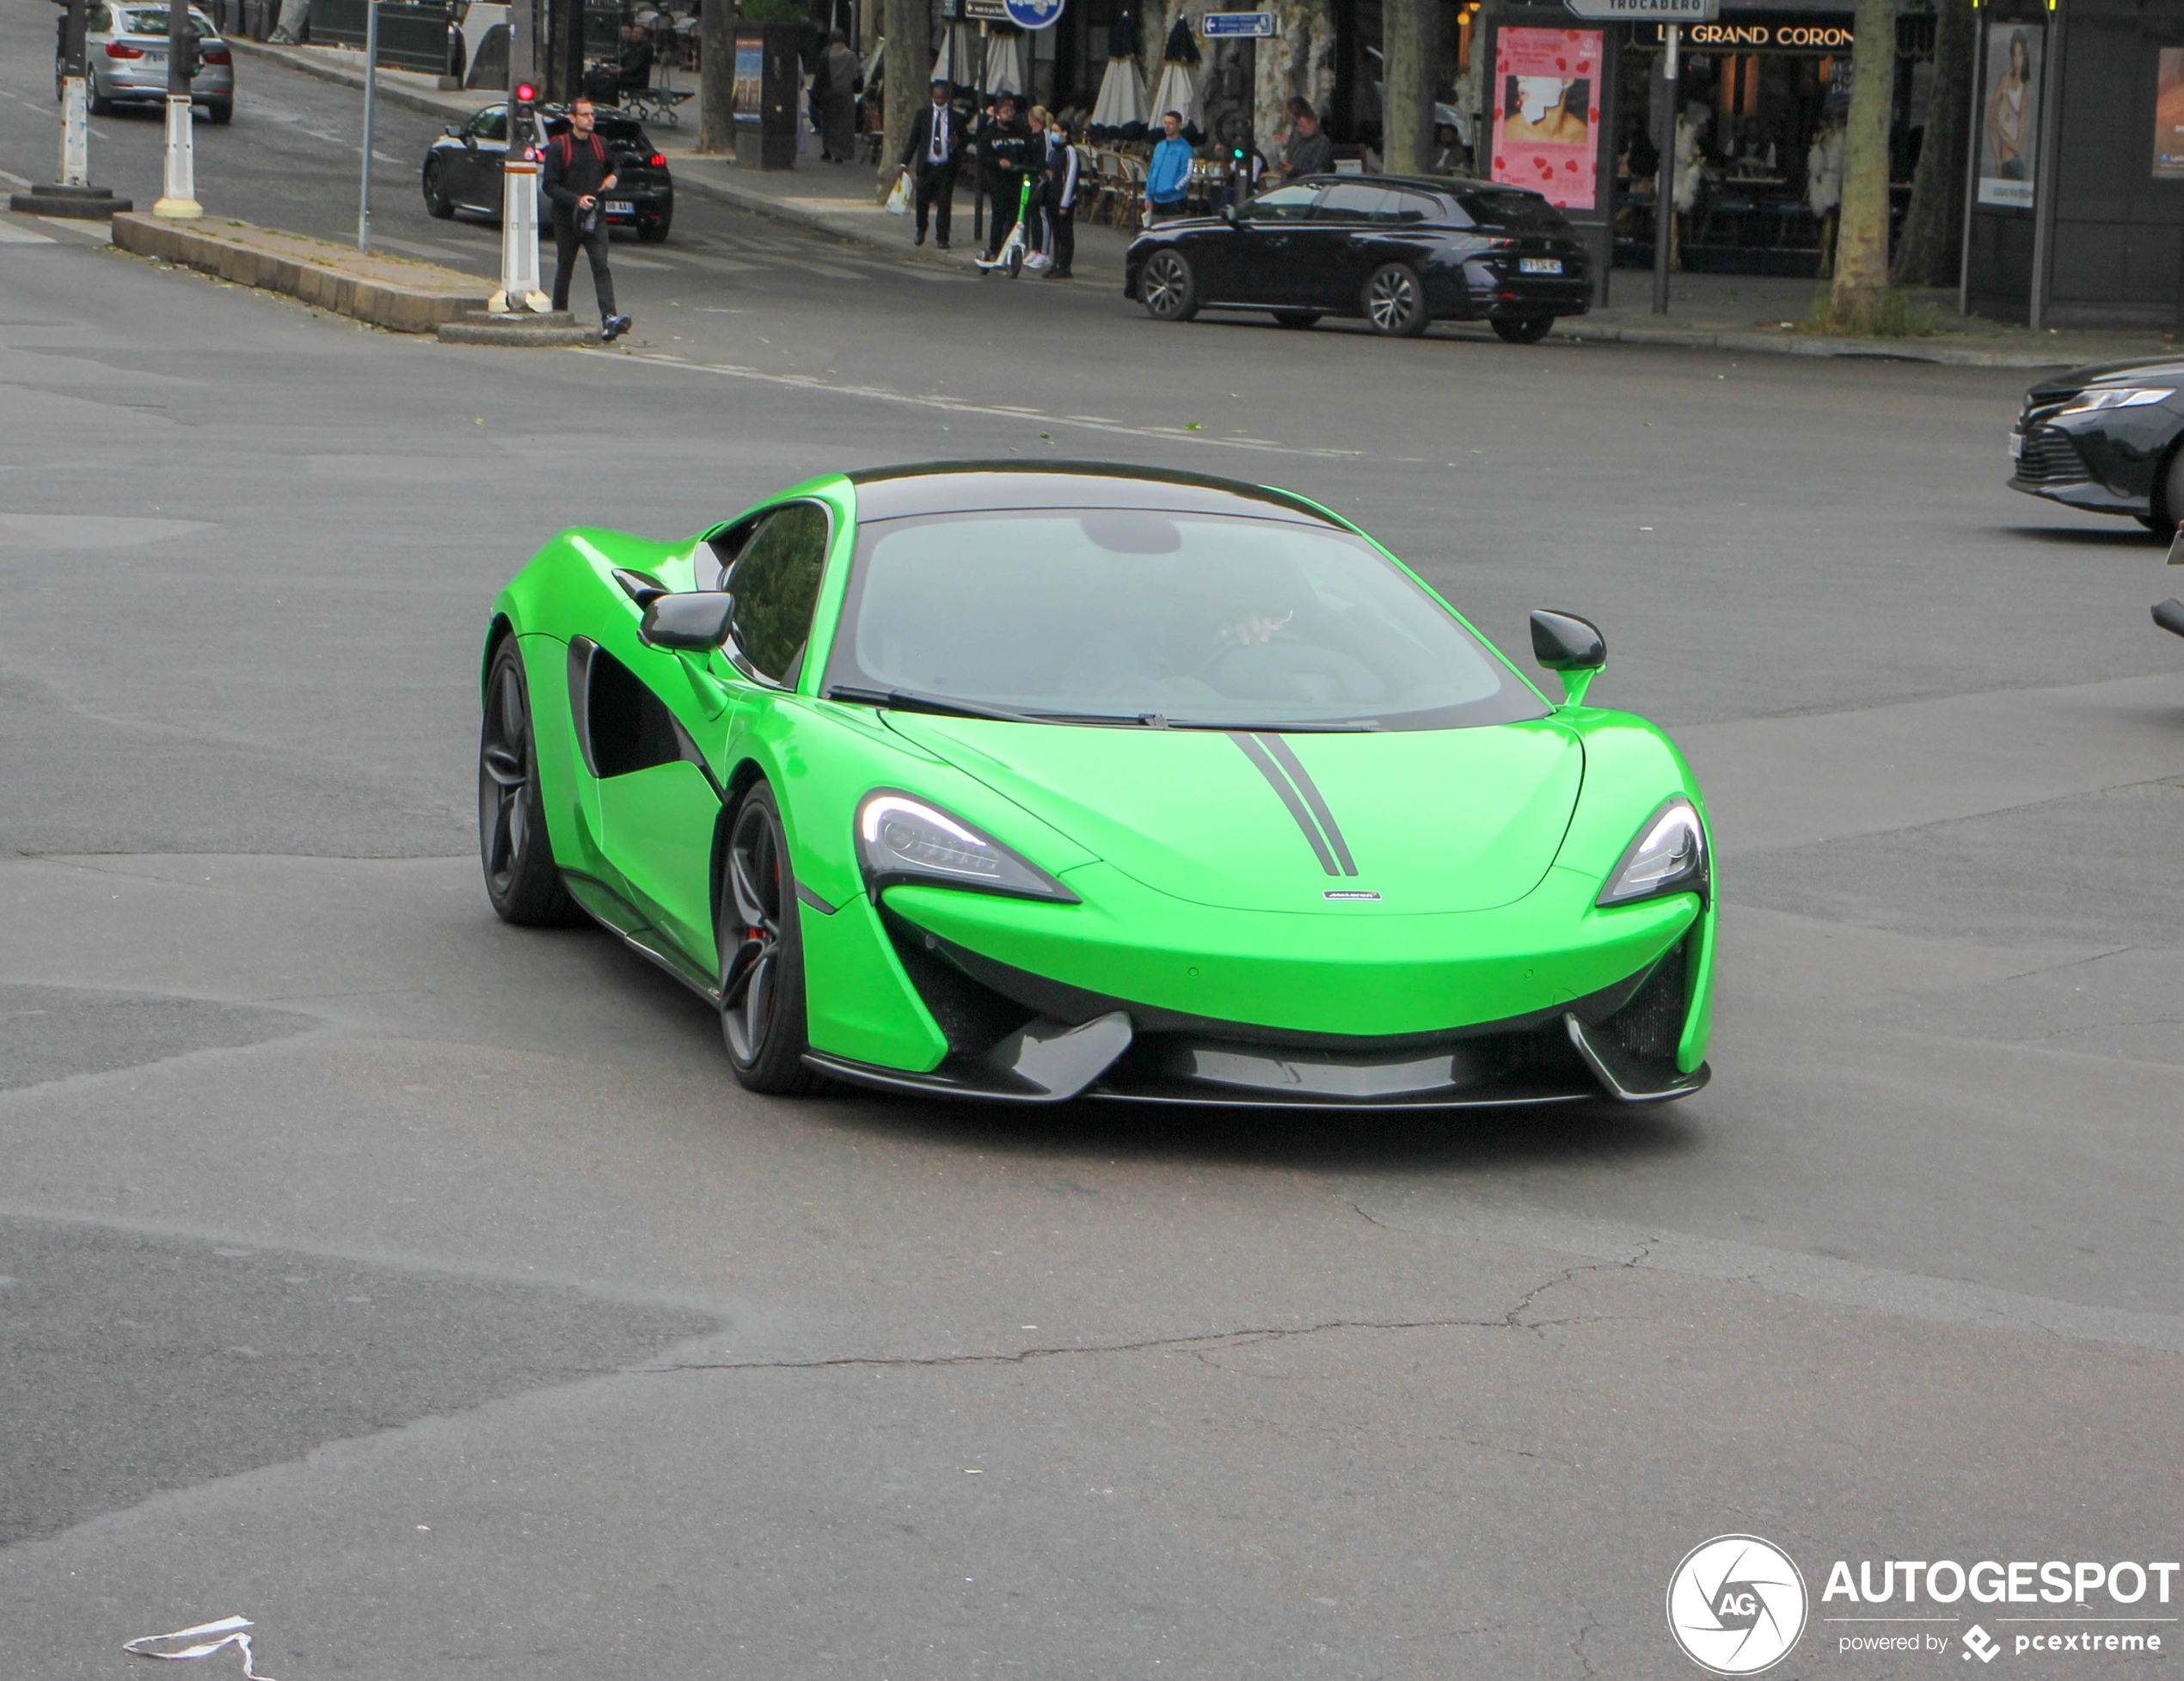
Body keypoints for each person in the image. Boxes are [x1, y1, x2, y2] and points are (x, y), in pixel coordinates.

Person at [542, 97, 630, 341]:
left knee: (601, 266)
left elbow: (616, 167)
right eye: (584, 115)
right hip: (567, 218)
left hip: (595, 217)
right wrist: (575, 199)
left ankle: (610, 318)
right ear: (572, 118)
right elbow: (549, 185)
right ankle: (558, 315)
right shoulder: (559, 147)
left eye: (592, 114)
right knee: (565, 267)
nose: (590, 119)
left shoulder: (600, 144)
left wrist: (613, 177)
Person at [901, 77, 966, 248]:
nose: (939, 102)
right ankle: (921, 228)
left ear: (947, 98)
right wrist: (904, 163)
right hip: (927, 165)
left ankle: (942, 237)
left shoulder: (956, 118)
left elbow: (964, 140)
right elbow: (914, 140)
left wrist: (956, 143)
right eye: (936, 98)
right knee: (922, 200)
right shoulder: (923, 115)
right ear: (932, 97)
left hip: (945, 166)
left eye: (942, 99)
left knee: (944, 203)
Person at [978, 93, 1033, 260]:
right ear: (997, 114)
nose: (1009, 114)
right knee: (999, 216)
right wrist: (998, 162)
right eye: (1005, 111)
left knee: (1016, 216)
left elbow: (1030, 151)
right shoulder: (990, 134)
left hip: (1017, 179)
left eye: (1011, 111)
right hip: (998, 181)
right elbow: (983, 157)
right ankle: (995, 249)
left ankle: (1010, 246)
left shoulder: (1020, 132)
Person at [1039, 111, 1081, 279]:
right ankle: (1056, 262)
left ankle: (1064, 265)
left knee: (1065, 233)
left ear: (1065, 133)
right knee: (1056, 232)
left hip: (1064, 199)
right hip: (1052, 197)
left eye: (1057, 131)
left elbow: (1070, 177)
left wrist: (1065, 203)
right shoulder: (1054, 151)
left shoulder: (1069, 151)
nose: (1054, 134)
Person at [815, 28, 862, 164]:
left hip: (829, 92)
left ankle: (828, 150)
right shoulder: (851, 55)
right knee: (844, 124)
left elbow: (819, 76)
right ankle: (840, 153)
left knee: (829, 122)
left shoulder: (826, 54)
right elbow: (857, 74)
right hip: (845, 92)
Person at [1144, 109, 1193, 224]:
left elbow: (1188, 174)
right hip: (1156, 199)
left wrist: (1173, 189)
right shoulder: (1159, 146)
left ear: (1179, 124)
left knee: (1173, 235)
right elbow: (1152, 171)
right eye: (1165, 123)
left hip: (1174, 200)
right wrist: (1148, 195)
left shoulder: (1185, 148)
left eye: (1171, 123)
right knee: (1156, 235)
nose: (1167, 126)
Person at [1280, 103, 1333, 180]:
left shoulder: (1322, 143)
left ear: (1312, 123)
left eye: (1303, 126)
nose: (1301, 130)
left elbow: (1316, 170)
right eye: (1299, 126)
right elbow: (1293, 161)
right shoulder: (1301, 141)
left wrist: (1294, 170)